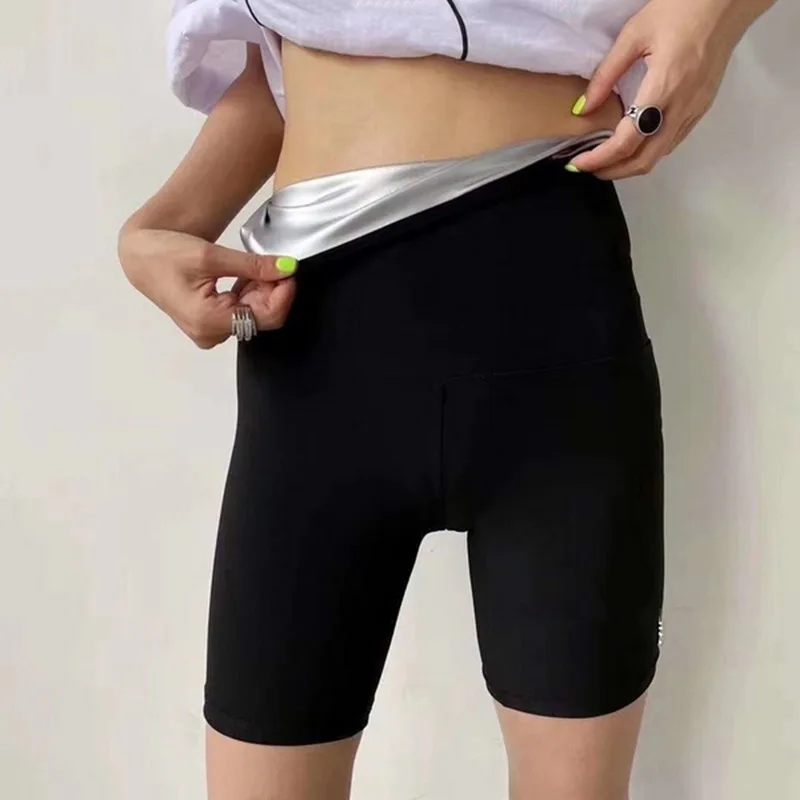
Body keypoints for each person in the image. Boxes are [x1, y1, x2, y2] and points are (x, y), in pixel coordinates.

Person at [118, 1, 776, 798]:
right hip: (318, 347)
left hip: (550, 325)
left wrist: (711, 16)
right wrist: (158, 227)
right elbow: (290, 65)